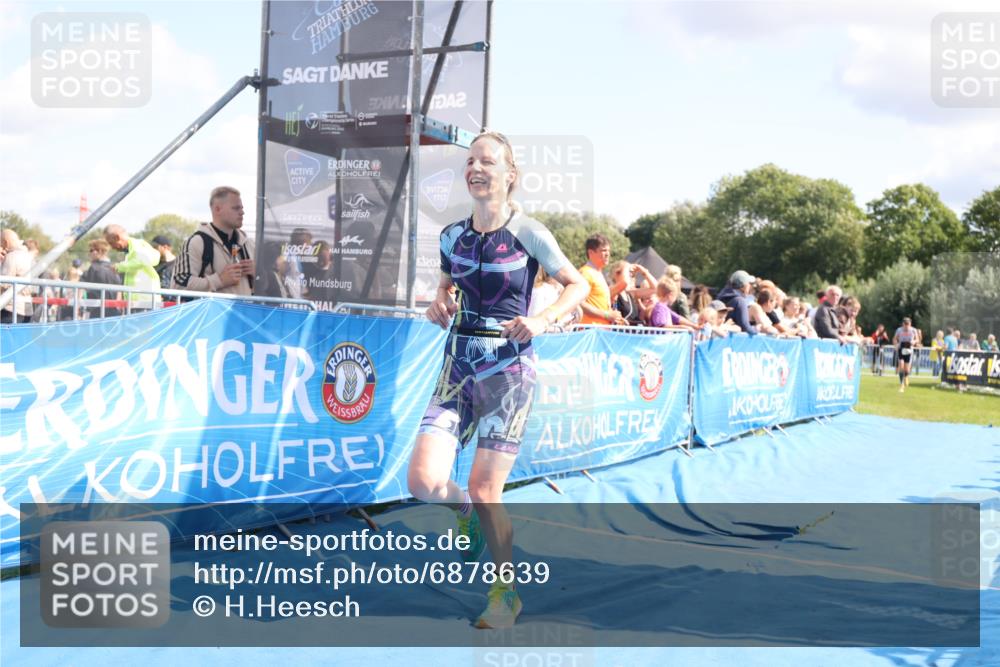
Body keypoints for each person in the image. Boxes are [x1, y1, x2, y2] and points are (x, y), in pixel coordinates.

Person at [408, 131, 588, 629]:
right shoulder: (451, 236)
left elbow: (579, 284)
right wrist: (436, 302)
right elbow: (444, 287)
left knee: (487, 489)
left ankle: (504, 595)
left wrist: (544, 318)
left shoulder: (529, 232)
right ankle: (461, 510)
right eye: (470, 161)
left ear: (510, 175)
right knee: (423, 481)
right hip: (457, 367)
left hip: (509, 371)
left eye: (488, 161)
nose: (476, 168)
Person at [172, 186, 255, 295]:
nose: (242, 212)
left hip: (246, 312)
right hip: (212, 312)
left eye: (242, 208)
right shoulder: (197, 242)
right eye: (236, 208)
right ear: (217, 209)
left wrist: (259, 274)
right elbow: (178, 287)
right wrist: (220, 281)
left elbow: (272, 287)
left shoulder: (249, 244)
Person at [103, 224, 161, 306]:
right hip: (136, 303)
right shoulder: (130, 250)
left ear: (117, 237)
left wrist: (119, 267)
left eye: (111, 243)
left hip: (144, 303)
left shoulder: (138, 246)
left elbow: (144, 260)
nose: (112, 247)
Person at [578, 233, 626, 325]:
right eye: (603, 250)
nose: (607, 254)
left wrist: (616, 318)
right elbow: (579, 303)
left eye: (608, 250)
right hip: (590, 332)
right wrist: (607, 315)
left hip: (600, 331)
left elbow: (599, 305)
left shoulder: (598, 273)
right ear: (591, 252)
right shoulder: (586, 273)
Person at [80, 238, 123, 318]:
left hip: (97, 310)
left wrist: (78, 307)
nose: (89, 254)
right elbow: (120, 291)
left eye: (91, 250)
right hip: (114, 310)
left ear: (99, 251)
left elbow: (82, 287)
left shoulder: (93, 268)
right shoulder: (115, 268)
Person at [1, 229, 34, 323]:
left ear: (5, 242)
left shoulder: (11, 256)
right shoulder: (27, 256)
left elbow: (3, 283)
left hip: (11, 309)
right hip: (26, 308)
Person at [608, 260, 655, 326]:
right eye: (628, 272)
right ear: (617, 273)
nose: (631, 274)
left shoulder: (630, 293)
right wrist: (626, 266)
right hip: (620, 333)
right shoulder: (610, 291)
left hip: (634, 332)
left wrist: (644, 272)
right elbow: (624, 282)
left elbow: (655, 289)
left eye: (631, 272)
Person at [716, 270, 758, 334]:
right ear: (743, 286)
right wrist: (756, 329)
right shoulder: (740, 301)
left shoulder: (720, 297)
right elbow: (745, 327)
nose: (750, 286)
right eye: (749, 283)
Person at [893, 317, 918, 393]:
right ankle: (902, 385)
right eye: (905, 324)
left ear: (910, 324)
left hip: (909, 349)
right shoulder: (899, 330)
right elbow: (894, 338)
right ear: (903, 324)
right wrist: (896, 344)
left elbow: (917, 339)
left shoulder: (913, 330)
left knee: (907, 369)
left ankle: (906, 376)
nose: (906, 326)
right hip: (901, 348)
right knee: (901, 365)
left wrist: (914, 341)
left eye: (908, 324)